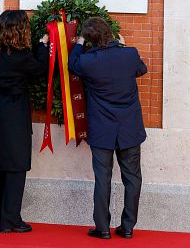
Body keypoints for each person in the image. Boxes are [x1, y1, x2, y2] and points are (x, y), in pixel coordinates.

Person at [67, 17, 147, 240]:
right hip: (129, 128)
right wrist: (122, 45)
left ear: (90, 40)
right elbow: (142, 69)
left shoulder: (88, 60)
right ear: (110, 33)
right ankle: (128, 227)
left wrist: (79, 42)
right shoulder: (129, 54)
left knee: (102, 179)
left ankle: (102, 228)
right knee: (132, 178)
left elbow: (72, 64)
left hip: (102, 129)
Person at [0, 10, 49, 233]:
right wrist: (41, 44)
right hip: (13, 110)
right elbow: (41, 68)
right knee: (17, 164)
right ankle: (10, 220)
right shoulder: (21, 56)